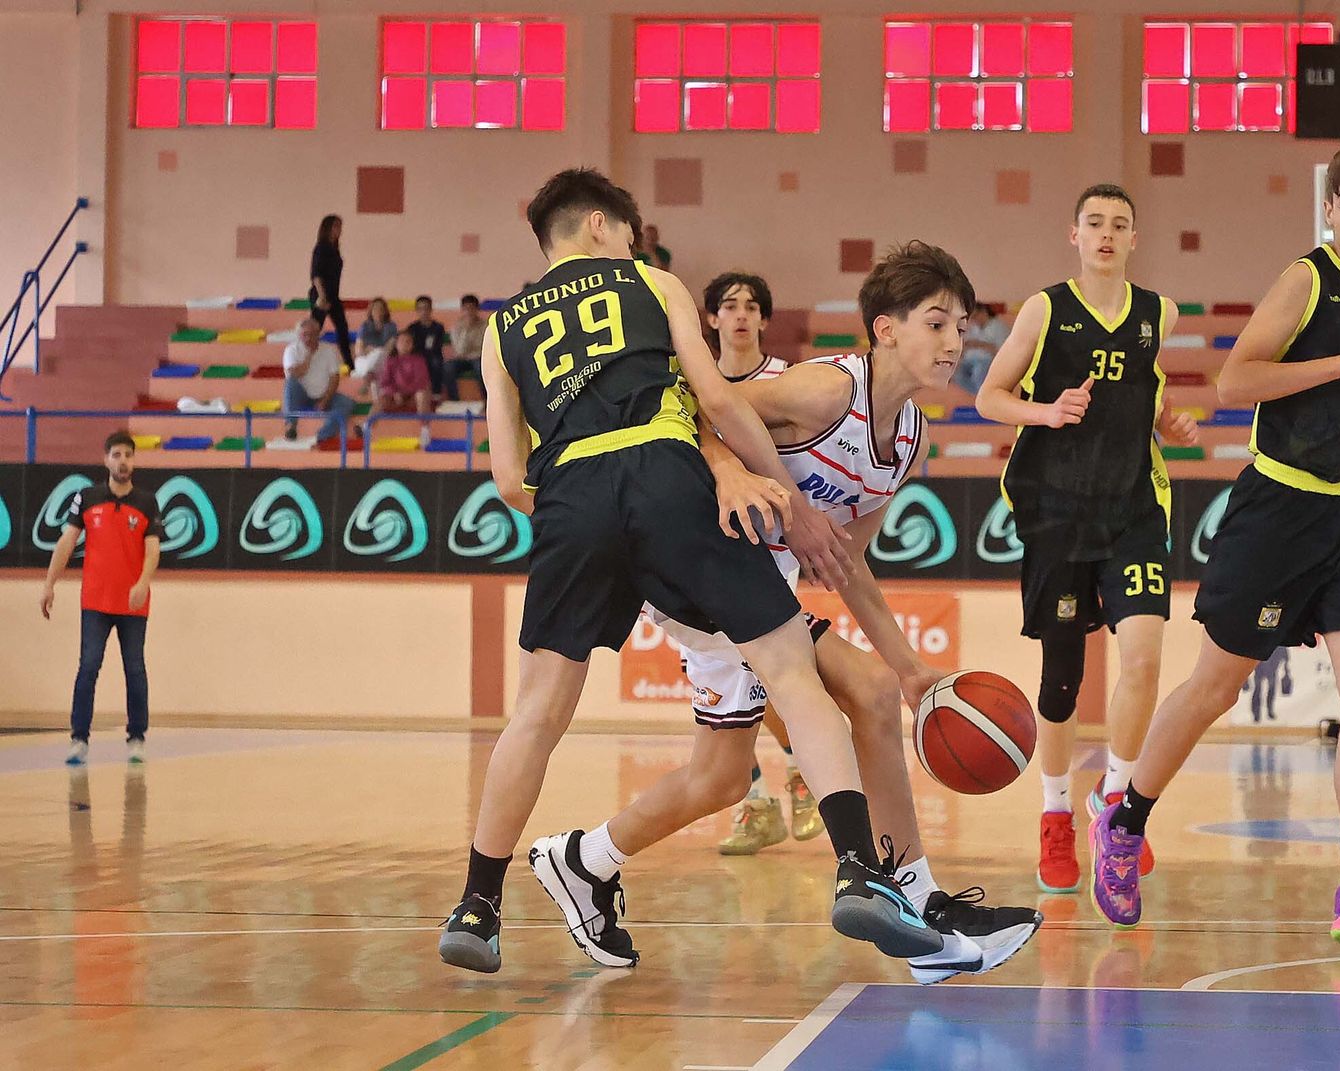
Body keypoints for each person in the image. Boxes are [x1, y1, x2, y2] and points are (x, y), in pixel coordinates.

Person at [437, 168, 939, 976]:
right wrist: (775, 489)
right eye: (627, 232)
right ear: (601, 226)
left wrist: (577, 512)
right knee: (790, 666)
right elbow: (719, 397)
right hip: (668, 478)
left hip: (568, 493)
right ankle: (857, 868)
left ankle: (477, 902)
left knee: (537, 712)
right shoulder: (651, 280)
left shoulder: (501, 330)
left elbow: (505, 476)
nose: (631, 245)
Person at [529, 242, 1042, 985]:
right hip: (694, 561)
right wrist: (733, 469)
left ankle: (579, 858)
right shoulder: (824, 392)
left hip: (750, 588)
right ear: (886, 329)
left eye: (961, 326)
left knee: (721, 777)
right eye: (937, 322)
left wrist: (911, 668)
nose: (955, 341)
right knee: (859, 694)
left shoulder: (906, 442)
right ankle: (914, 902)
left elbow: (843, 561)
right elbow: (695, 409)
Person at [1088, 142, 1340, 946]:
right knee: (1215, 688)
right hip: (1278, 511)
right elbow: (1236, 382)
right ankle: (1123, 822)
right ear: (1330, 211)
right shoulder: (1307, 279)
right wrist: (1338, 362)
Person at [976, 183, 1196, 895]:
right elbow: (989, 397)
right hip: (1056, 514)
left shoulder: (1159, 312)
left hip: (1133, 509)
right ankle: (1056, 814)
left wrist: (1169, 425)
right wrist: (1046, 410)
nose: (1106, 234)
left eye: (1120, 224)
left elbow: (1145, 393)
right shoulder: (1045, 308)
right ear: (1074, 234)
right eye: (1094, 223)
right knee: (1062, 682)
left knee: (1143, 659)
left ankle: (1119, 806)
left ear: (1135, 238)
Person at [698, 270, 819, 855]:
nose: (742, 314)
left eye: (752, 306)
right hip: (699, 546)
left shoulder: (785, 383)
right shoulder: (690, 383)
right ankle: (759, 799)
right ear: (713, 319)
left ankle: (795, 772)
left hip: (767, 545)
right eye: (730, 305)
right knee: (717, 687)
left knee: (759, 673)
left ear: (765, 320)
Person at [40, 431, 163, 766]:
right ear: (106, 459)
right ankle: (79, 739)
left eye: (128, 455)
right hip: (95, 601)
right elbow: (66, 542)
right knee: (88, 667)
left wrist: (142, 582)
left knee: (135, 669)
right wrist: (50, 584)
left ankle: (137, 737)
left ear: (134, 461)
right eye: (117, 455)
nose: (123, 461)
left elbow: (153, 550)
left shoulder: (147, 502)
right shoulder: (87, 497)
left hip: (133, 604)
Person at [282, 317, 355, 444]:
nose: (308, 338)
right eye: (305, 335)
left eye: (312, 335)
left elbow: (334, 378)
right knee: (290, 385)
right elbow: (294, 374)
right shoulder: (291, 350)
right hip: (301, 394)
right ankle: (290, 426)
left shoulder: (329, 350)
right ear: (300, 335)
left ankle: (322, 436)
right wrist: (309, 356)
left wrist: (325, 399)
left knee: (347, 403)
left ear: (318, 334)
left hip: (324, 393)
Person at [375, 330, 434, 445]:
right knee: (382, 398)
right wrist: (395, 393)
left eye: (407, 342)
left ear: (412, 345)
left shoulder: (419, 360)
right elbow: (384, 383)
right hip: (395, 398)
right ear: (396, 344)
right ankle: (366, 427)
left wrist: (403, 393)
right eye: (401, 342)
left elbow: (421, 382)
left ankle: (425, 430)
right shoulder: (390, 361)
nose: (404, 344)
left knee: (422, 394)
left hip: (413, 398)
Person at [309, 214, 352, 369]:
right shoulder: (321, 248)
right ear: (327, 228)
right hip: (322, 295)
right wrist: (322, 296)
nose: (339, 230)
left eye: (340, 227)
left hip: (333, 295)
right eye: (336, 226)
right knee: (314, 330)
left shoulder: (334, 249)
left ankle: (349, 363)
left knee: (342, 329)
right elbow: (316, 275)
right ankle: (307, 360)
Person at [952, 302, 1008, 394]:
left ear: (983, 313)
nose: (974, 320)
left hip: (987, 361)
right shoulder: (974, 328)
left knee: (978, 372)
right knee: (956, 373)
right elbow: (966, 344)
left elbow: (1000, 351)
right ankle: (978, 395)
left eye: (975, 316)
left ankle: (984, 395)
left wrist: (979, 344)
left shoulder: (998, 327)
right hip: (970, 359)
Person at [443, 294, 487, 400]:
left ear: (477, 309)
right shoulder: (457, 327)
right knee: (448, 367)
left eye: (472, 308)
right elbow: (460, 350)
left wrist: (474, 354)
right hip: (462, 359)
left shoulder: (484, 325)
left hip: (478, 358)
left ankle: (486, 400)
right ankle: (454, 400)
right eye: (466, 309)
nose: (469, 312)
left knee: (481, 368)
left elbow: (484, 348)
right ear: (462, 310)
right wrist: (466, 330)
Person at [405, 295, 450, 398]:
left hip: (433, 355)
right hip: (416, 356)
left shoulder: (438, 327)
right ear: (416, 310)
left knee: (435, 362)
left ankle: (436, 392)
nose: (423, 312)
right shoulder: (412, 328)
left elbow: (436, 346)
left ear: (430, 309)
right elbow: (410, 346)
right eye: (420, 309)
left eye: (426, 308)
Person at [354, 297, 399, 388]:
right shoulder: (365, 326)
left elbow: (388, 350)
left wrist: (371, 349)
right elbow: (359, 352)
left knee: (379, 354)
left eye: (381, 309)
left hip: (383, 361)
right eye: (375, 309)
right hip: (365, 360)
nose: (378, 311)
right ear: (371, 311)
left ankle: (368, 377)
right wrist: (369, 351)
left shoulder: (392, 327)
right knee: (372, 362)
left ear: (385, 311)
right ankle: (368, 374)